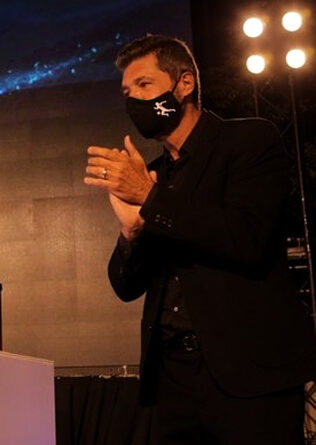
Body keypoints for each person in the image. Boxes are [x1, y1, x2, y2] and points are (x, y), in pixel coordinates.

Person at [84, 34, 316, 444]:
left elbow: (246, 239)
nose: (133, 99)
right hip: (172, 382)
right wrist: (131, 233)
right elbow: (126, 286)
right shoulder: (155, 174)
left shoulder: (249, 141)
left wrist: (150, 198)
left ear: (184, 84)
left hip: (249, 376)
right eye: (126, 92)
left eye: (144, 85)